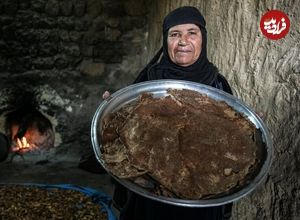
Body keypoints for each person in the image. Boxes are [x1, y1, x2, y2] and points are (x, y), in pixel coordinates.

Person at [111, 6, 233, 220]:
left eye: (191, 33)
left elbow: (229, 143)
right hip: (151, 193)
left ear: (202, 39)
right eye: (175, 34)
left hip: (201, 196)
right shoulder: (148, 82)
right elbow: (121, 139)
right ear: (166, 41)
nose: (183, 41)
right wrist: (112, 111)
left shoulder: (217, 85)